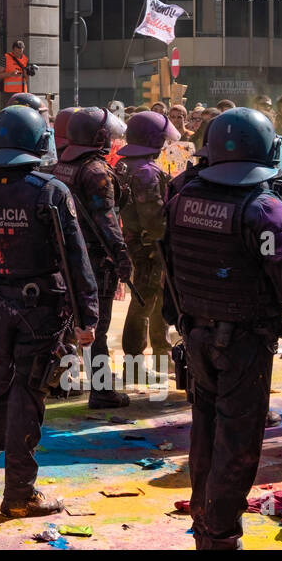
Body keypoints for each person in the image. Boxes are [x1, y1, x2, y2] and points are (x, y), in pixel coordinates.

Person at [161, 108, 282, 549]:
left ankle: (206, 521)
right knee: (238, 442)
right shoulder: (265, 208)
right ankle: (222, 535)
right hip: (244, 340)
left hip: (196, 334)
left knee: (205, 432)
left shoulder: (182, 198)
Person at [0, 106, 99, 515]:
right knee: (28, 396)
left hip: (0, 303)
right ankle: (20, 493)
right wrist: (87, 316)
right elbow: (75, 259)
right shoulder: (50, 191)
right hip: (41, 309)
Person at [52, 107, 132, 407]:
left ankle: (61, 380)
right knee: (96, 326)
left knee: (68, 321)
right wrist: (122, 256)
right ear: (98, 136)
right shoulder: (96, 171)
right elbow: (106, 219)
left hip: (65, 258)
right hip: (95, 260)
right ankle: (101, 389)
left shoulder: (61, 165)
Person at [115, 110, 179, 378]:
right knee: (143, 303)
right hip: (150, 249)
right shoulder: (148, 173)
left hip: (133, 243)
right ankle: (135, 365)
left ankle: (161, 354)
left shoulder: (125, 165)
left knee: (154, 301)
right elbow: (154, 220)